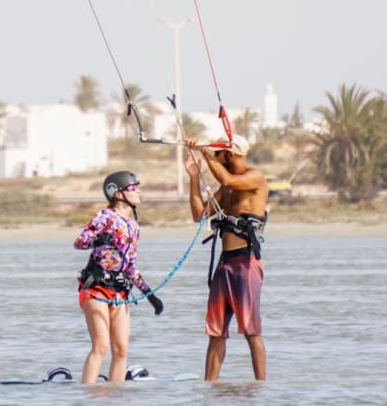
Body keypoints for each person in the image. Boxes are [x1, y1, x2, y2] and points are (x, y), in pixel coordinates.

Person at [184, 134, 269, 381]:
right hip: (224, 266)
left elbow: (227, 176)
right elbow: (199, 214)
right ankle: (209, 386)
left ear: (229, 155)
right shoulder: (226, 189)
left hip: (246, 264)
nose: (216, 159)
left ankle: (260, 387)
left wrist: (204, 151)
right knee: (216, 334)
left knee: (251, 332)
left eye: (218, 154)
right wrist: (193, 178)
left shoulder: (255, 178)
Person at [74, 170, 163, 384]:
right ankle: (88, 393)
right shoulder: (104, 216)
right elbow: (79, 242)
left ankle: (116, 395)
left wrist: (150, 295)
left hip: (120, 292)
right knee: (101, 346)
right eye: (133, 188)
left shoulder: (133, 226)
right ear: (117, 193)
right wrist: (97, 239)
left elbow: (131, 266)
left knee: (121, 349)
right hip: (95, 289)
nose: (139, 191)